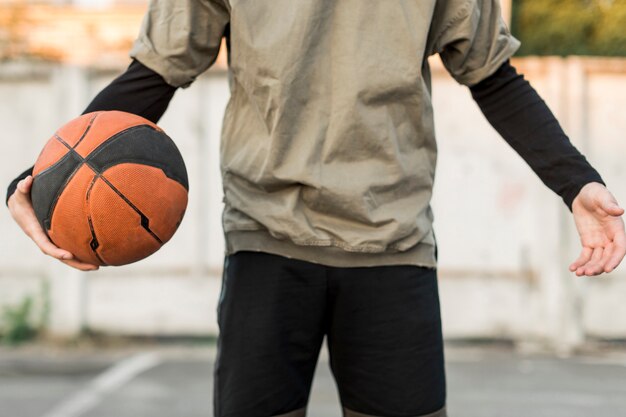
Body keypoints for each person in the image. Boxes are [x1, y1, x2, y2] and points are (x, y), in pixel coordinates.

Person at [7, 0, 626, 416]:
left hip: (391, 243)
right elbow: (155, 75)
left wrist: (576, 183)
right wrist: (48, 179)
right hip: (266, 241)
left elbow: (491, 75)